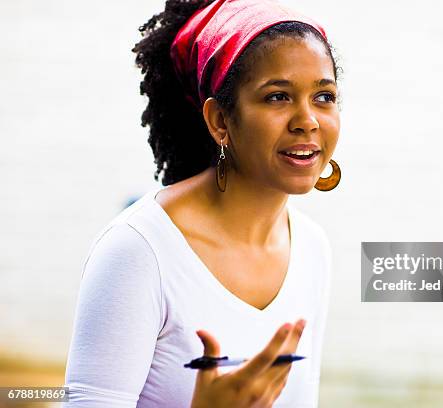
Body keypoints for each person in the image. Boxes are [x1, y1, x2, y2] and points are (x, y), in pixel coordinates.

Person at [62, 0, 342, 406]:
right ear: (220, 121)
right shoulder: (139, 250)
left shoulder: (313, 248)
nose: (308, 120)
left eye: (324, 96)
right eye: (278, 97)